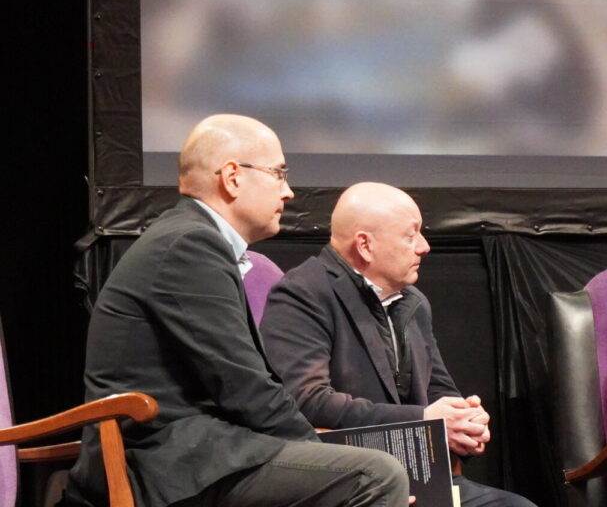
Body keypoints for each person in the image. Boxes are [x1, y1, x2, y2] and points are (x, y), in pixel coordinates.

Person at [64, 115, 409, 507]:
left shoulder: (191, 239)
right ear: (232, 177)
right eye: (279, 173)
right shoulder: (188, 245)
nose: (290, 192)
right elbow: (243, 385)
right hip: (166, 465)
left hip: (197, 454)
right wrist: (323, 454)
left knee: (362, 469)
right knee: (375, 476)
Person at [260, 182, 537, 507]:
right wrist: (422, 418)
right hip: (352, 480)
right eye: (411, 235)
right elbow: (305, 401)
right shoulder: (303, 293)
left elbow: (439, 390)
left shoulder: (413, 302)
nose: (424, 247)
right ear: (365, 245)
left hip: (423, 475)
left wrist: (465, 422)